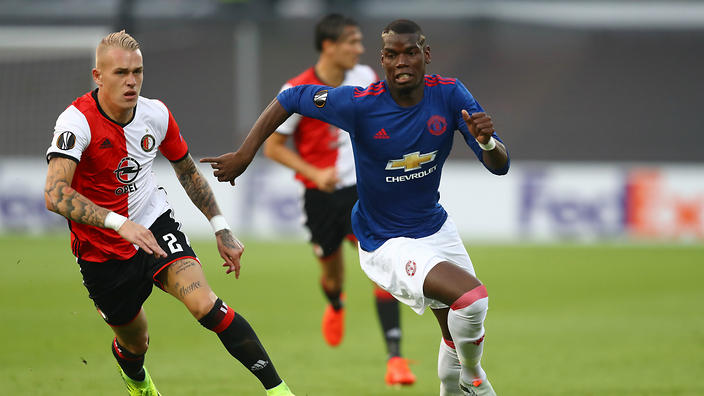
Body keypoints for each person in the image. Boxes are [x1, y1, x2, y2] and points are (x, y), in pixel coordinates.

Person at [202, 19, 509, 396]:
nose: (402, 62)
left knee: (453, 329)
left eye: (410, 53)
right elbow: (290, 98)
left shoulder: (451, 95)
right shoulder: (360, 104)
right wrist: (244, 155)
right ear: (383, 60)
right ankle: (475, 378)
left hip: (435, 229)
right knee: (472, 299)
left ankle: (457, 380)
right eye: (392, 55)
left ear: (425, 55)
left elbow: (499, 165)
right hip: (385, 242)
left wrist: (489, 143)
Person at [43, 31, 294, 396]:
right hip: (102, 249)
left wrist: (221, 228)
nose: (131, 81)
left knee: (205, 304)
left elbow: (188, 173)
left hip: (154, 224)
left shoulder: (155, 114)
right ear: (98, 77)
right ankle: (137, 380)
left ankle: (279, 390)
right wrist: (119, 223)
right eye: (120, 73)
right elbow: (54, 194)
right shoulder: (76, 121)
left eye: (137, 72)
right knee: (135, 343)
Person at [262, 13, 415, 385]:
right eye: (353, 42)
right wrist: (314, 173)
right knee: (332, 275)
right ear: (329, 46)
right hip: (321, 197)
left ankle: (395, 359)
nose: (361, 50)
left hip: (364, 193)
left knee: (384, 268)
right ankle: (335, 303)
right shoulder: (296, 88)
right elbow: (273, 146)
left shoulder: (364, 77)